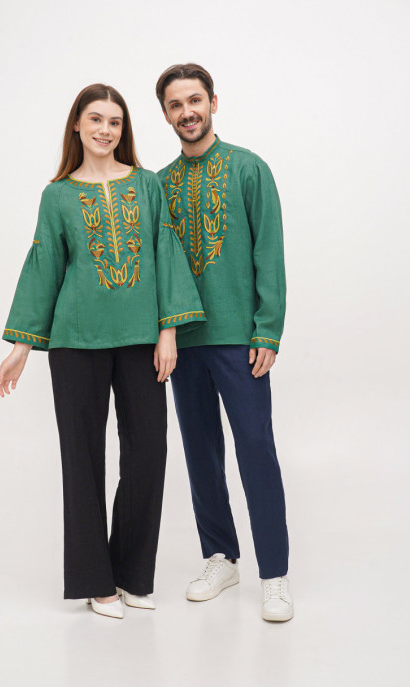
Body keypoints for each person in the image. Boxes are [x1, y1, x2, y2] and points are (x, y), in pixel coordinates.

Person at [0, 83, 205, 620]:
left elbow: (164, 251)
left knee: (147, 454)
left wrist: (168, 331)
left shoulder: (147, 184)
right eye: (95, 119)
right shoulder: (58, 196)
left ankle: (132, 575)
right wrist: (22, 346)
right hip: (76, 343)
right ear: (77, 126)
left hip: (142, 342)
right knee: (82, 461)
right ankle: (95, 582)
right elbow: (44, 267)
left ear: (122, 129)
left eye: (114, 121)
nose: (105, 130)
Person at [155, 64, 294, 621]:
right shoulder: (159, 184)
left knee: (256, 448)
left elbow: (269, 251)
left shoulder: (248, 168)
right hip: (183, 342)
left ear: (213, 102)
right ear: (166, 114)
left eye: (195, 100)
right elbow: (158, 267)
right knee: (201, 452)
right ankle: (220, 556)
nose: (187, 112)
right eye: (175, 105)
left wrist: (268, 328)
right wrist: (160, 334)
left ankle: (275, 574)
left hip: (240, 339)